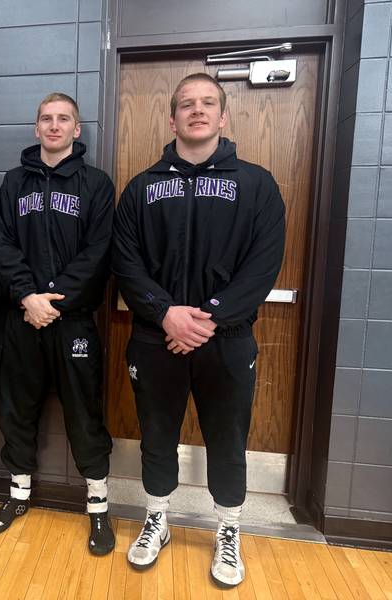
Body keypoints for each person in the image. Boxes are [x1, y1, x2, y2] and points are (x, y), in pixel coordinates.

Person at [113, 73, 286, 585]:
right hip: (154, 337)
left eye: (208, 103)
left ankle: (229, 529)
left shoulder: (256, 184)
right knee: (157, 437)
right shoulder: (142, 188)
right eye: (186, 104)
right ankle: (157, 518)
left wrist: (206, 317)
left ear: (224, 115)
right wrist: (166, 312)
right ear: (172, 119)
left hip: (227, 341)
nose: (197, 111)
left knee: (228, 440)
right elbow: (126, 260)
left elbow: (263, 265)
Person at [0, 93, 115, 555]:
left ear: (77, 129)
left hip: (73, 321)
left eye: (64, 119)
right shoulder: (13, 183)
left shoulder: (96, 184)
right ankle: (18, 494)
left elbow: (98, 252)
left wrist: (53, 300)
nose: (55, 125)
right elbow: (1, 245)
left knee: (84, 413)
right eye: (47, 118)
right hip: (23, 319)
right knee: (17, 409)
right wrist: (27, 295)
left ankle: (98, 507)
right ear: (36, 127)